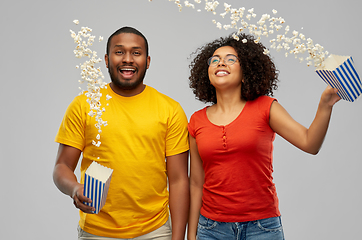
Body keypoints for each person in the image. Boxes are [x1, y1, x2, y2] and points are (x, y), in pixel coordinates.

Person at [187, 33, 341, 240]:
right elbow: (197, 183)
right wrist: (192, 233)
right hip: (211, 229)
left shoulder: (266, 108)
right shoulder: (197, 120)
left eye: (231, 59)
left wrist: (325, 105)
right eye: (214, 60)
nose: (220, 62)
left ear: (245, 73)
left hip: (262, 228)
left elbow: (309, 143)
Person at [53, 26, 189, 240]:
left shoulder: (170, 109)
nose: (128, 59)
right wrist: (74, 188)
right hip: (97, 231)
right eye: (119, 52)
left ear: (148, 61)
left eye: (136, 52)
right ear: (107, 60)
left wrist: (178, 237)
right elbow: (62, 166)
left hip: (156, 230)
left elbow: (179, 179)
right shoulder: (85, 105)